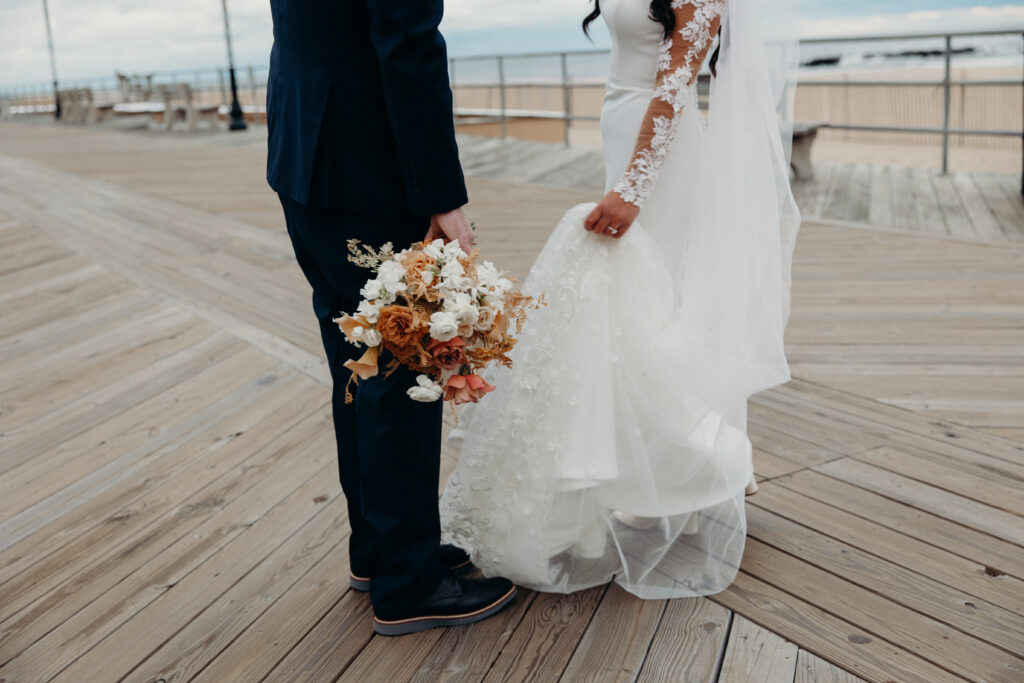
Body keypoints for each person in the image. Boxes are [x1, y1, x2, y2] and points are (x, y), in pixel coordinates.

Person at [441, 0, 801, 598]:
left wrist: (633, 185)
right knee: (635, 307)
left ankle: (696, 456)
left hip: (663, 151)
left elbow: (676, 82)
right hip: (622, 125)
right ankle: (676, 460)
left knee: (656, 305)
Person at [266, 0, 516, 635]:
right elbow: (408, 42)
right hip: (367, 168)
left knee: (357, 364)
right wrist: (441, 193)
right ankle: (408, 582)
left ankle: (380, 551)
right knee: (401, 370)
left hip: (306, 153)